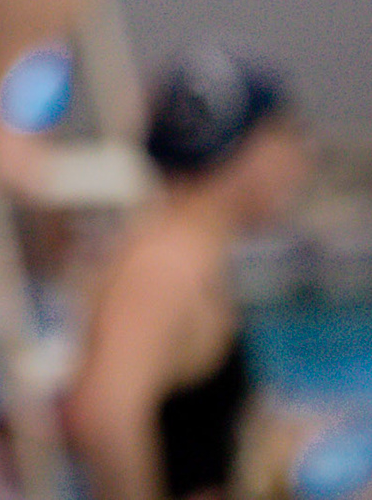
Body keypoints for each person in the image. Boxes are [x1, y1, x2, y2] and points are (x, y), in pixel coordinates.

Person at [68, 43, 314, 500]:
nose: (299, 164)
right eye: (285, 139)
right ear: (241, 148)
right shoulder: (164, 266)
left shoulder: (190, 257)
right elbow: (104, 416)